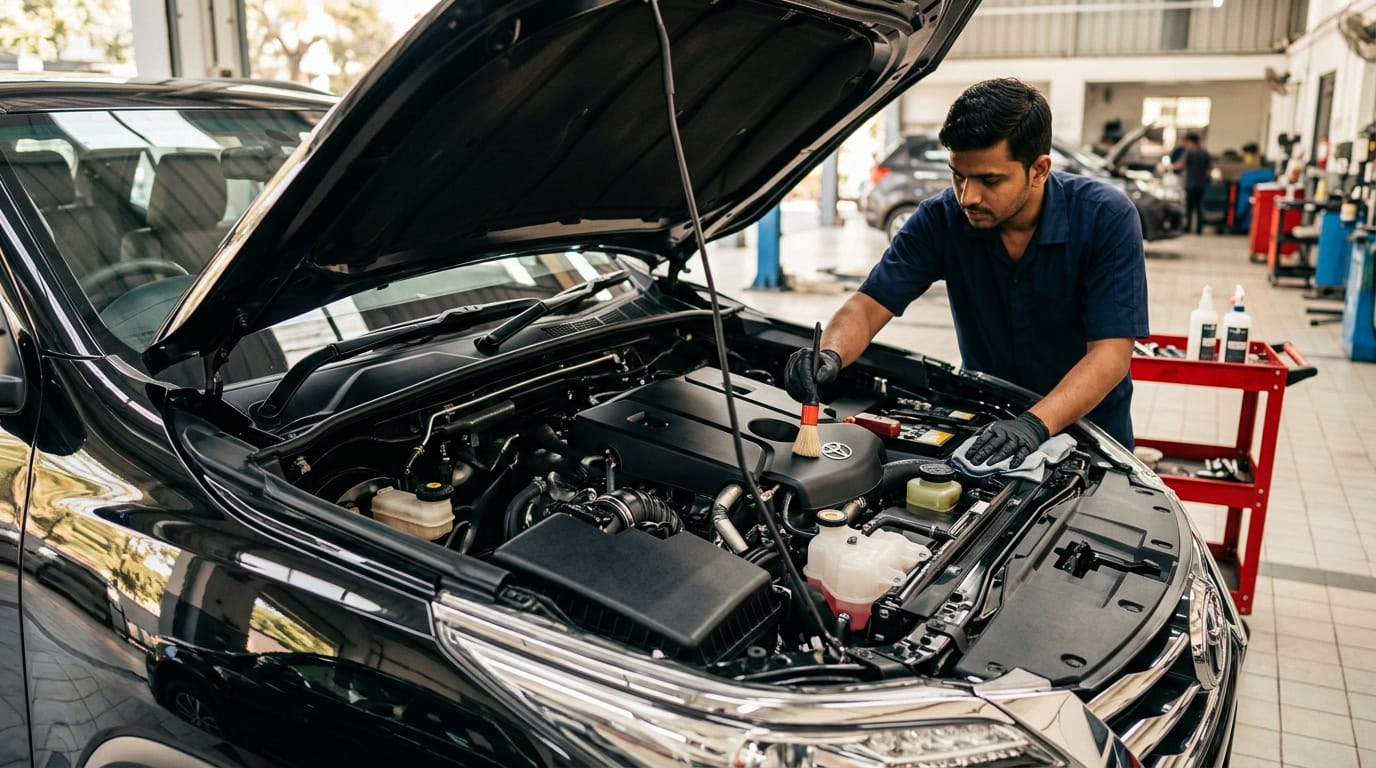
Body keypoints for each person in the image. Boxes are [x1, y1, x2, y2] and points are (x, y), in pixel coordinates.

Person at [783, 78, 1148, 466]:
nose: (968, 196)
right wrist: (831, 355)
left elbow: (1110, 354)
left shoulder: (1105, 217)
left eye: (990, 180)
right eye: (958, 175)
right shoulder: (940, 220)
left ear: (1039, 169)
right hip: (989, 432)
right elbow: (869, 305)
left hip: (1091, 440)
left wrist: (1035, 424)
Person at [1173, 131, 1212, 234]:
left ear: (1190, 141)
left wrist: (1168, 167)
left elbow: (1182, 165)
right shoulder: (1205, 152)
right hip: (1201, 184)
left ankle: (1188, 228)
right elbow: (1209, 169)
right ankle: (1199, 229)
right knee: (1199, 207)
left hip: (1190, 184)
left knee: (1189, 208)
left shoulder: (1189, 152)